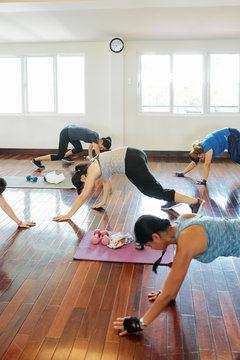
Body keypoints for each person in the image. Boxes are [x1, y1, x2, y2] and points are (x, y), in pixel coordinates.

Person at [113, 212, 240, 335]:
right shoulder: (182, 220)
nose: (150, 248)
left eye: (149, 245)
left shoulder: (186, 239)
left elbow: (169, 290)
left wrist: (140, 323)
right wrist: (170, 295)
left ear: (156, 237)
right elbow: (176, 277)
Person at [52, 147, 204, 222]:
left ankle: (195, 202)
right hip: (135, 153)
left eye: (83, 185)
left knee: (153, 191)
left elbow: (83, 197)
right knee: (150, 190)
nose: (86, 187)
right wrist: (103, 201)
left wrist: (68, 215)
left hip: (130, 162)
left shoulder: (91, 172)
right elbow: (106, 182)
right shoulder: (94, 165)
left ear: (83, 179)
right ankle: (172, 198)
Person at [174, 128, 240, 185]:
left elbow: (207, 165)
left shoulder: (207, 148)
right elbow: (194, 163)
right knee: (235, 157)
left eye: (200, 158)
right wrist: (182, 173)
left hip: (232, 135)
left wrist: (203, 181)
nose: (202, 160)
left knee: (236, 157)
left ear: (199, 154)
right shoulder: (200, 150)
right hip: (230, 138)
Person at [31, 124, 112, 169]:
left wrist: (91, 161)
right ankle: (36, 160)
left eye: (102, 149)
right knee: (59, 155)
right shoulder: (95, 137)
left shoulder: (95, 137)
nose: (100, 148)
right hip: (66, 133)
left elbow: (90, 149)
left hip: (71, 132)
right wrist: (102, 166)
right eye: (102, 147)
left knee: (79, 148)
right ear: (102, 141)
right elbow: (97, 153)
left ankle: (65, 156)